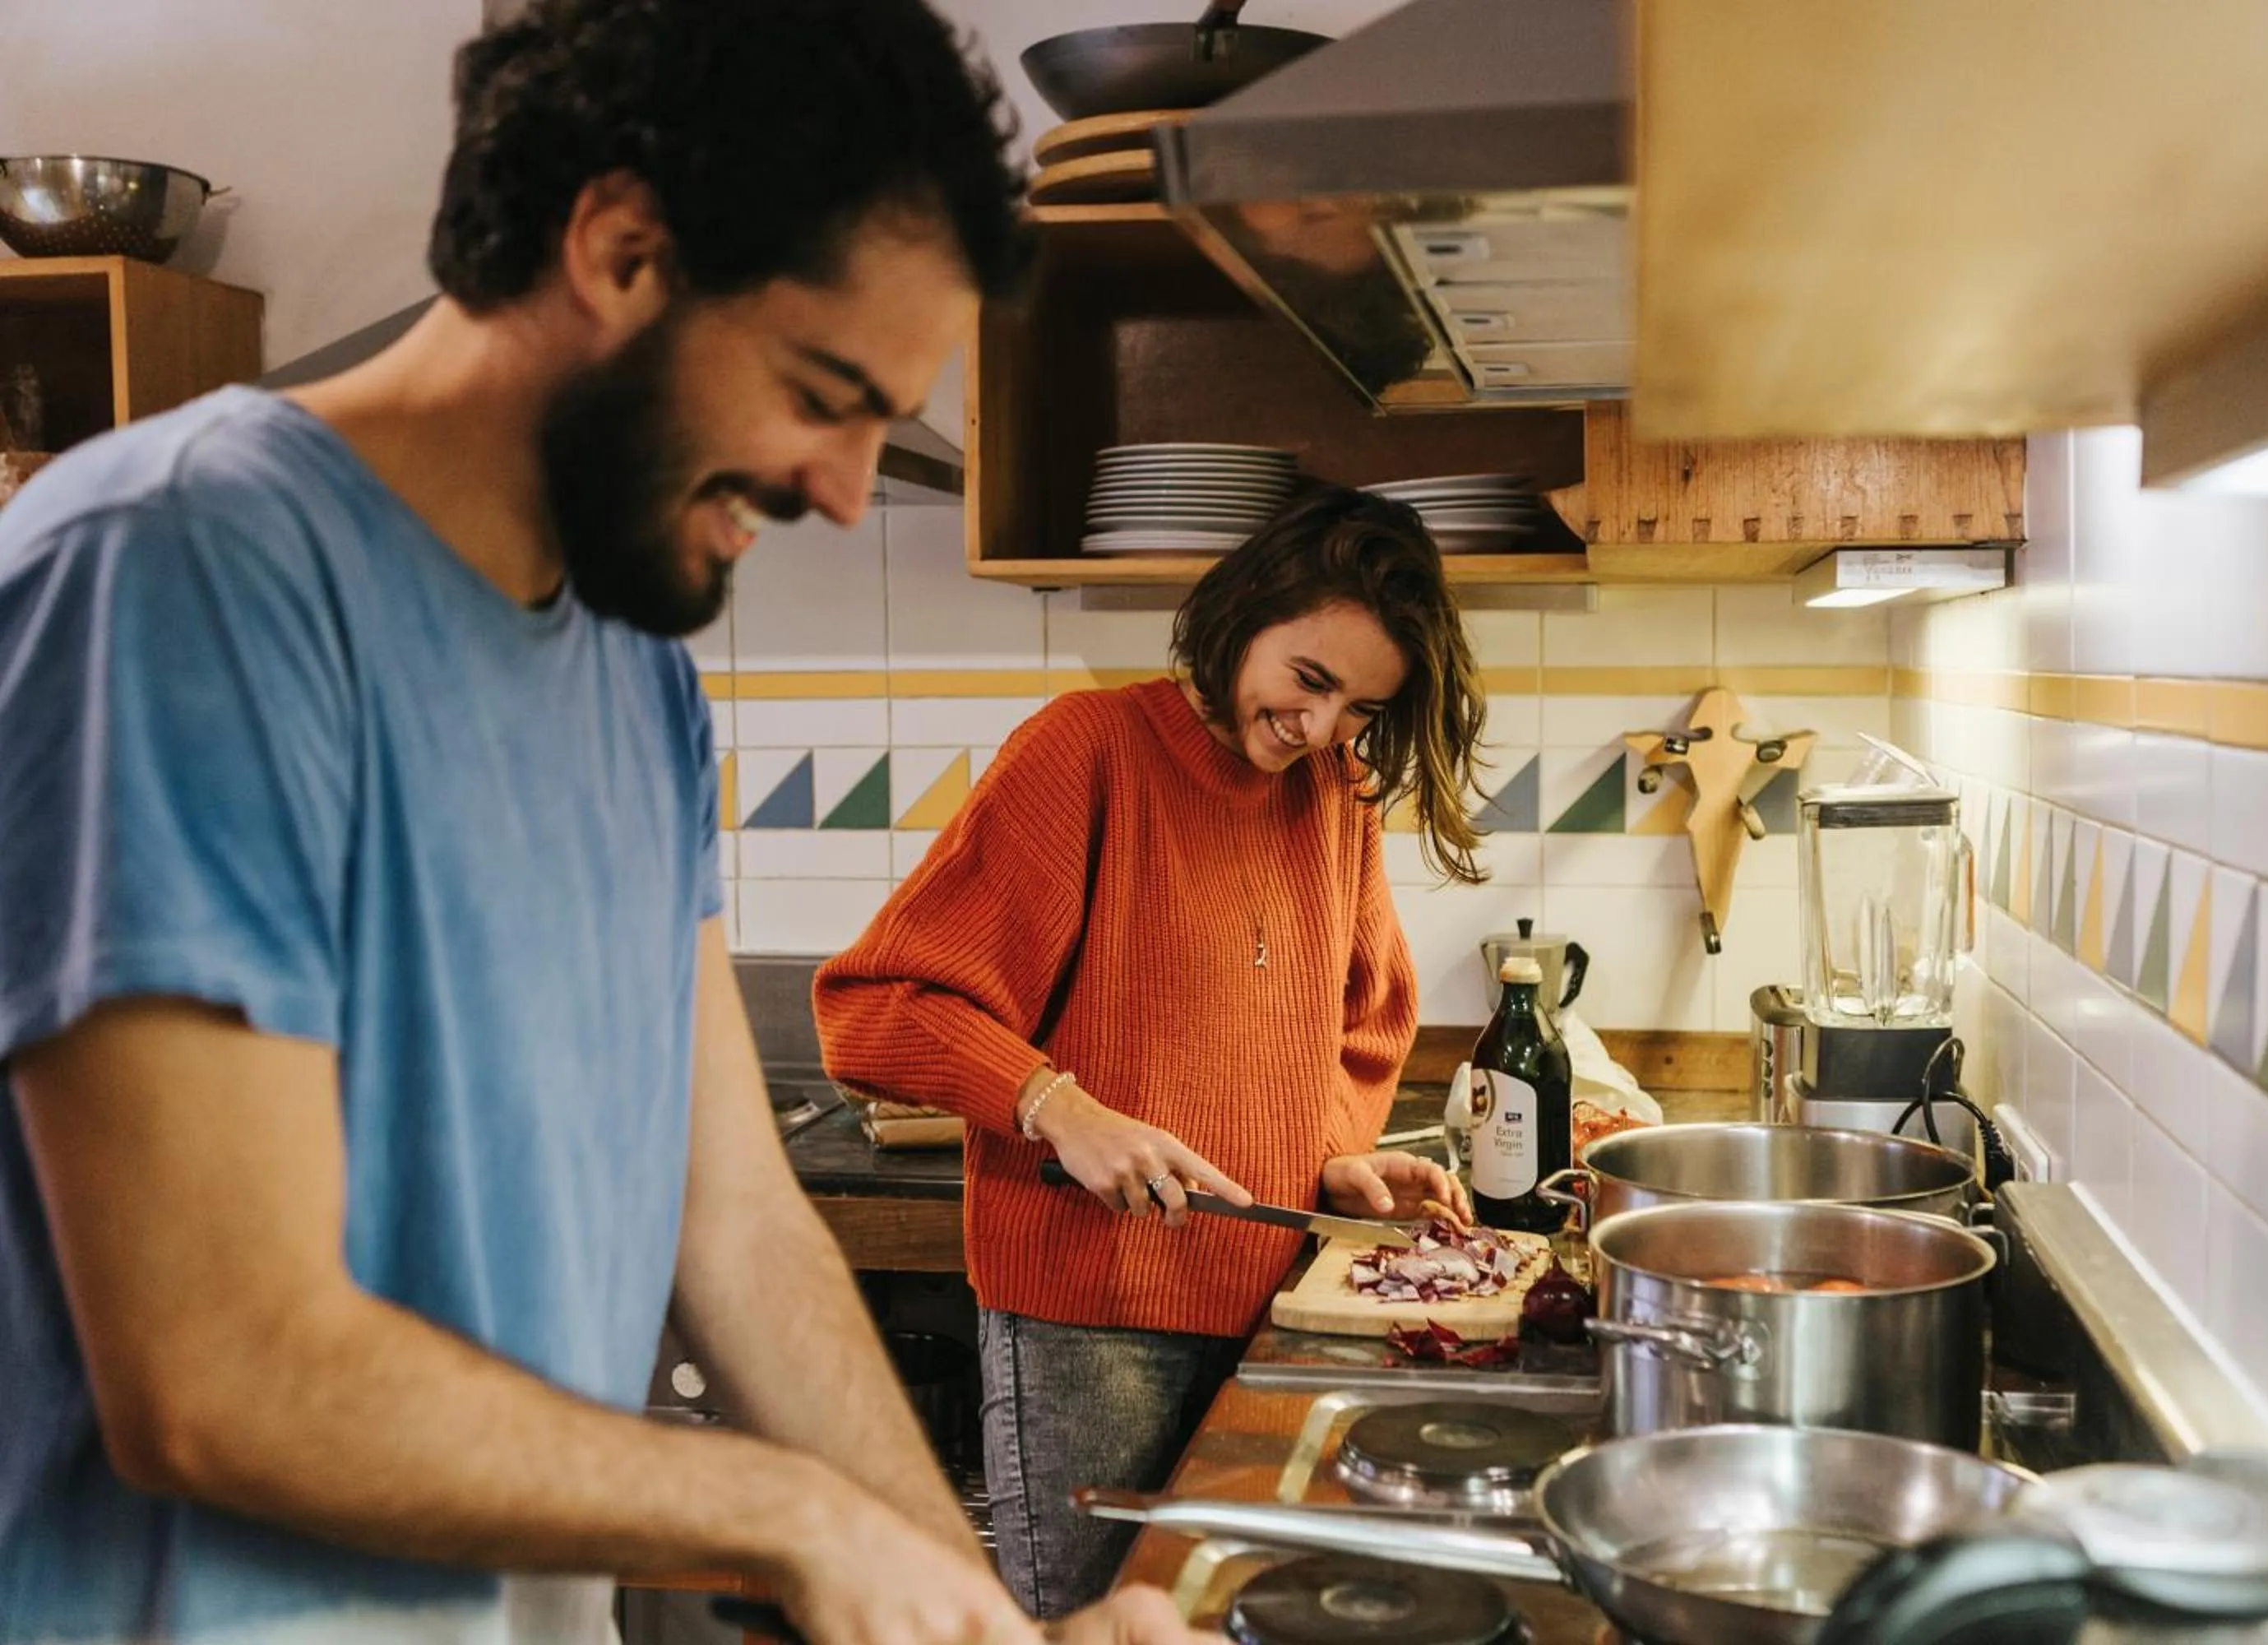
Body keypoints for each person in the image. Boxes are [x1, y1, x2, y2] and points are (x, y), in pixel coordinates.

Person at [0, 2, 1203, 1641]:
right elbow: (224, 1373)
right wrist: (783, 1516)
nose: (852, 489)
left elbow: (740, 1221)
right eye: (824, 389)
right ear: (623, 247)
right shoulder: (179, 573)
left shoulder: (633, 682)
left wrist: (968, 1608)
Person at [814, 487, 1491, 1617]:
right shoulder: (1087, 753)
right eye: (1310, 681)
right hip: (1091, 1325)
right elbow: (871, 1006)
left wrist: (1332, 1156)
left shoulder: (1336, 796)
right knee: (1091, 1629)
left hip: (1276, 1305)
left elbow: (1358, 1023)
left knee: (1228, 1623)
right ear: (1243, 614)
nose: (1320, 730)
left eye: (1360, 708)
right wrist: (1058, 1108)